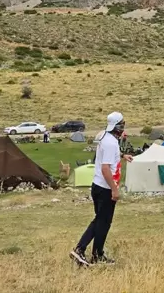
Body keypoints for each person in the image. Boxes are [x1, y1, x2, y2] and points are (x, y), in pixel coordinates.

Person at [70, 112, 133, 267]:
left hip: (97, 185)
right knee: (101, 221)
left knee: (103, 221)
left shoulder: (105, 137)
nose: (123, 127)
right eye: (122, 124)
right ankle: (80, 249)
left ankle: (98, 254)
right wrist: (114, 189)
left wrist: (122, 155)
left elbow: (108, 157)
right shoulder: (111, 143)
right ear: (117, 126)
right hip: (105, 188)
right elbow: (106, 169)